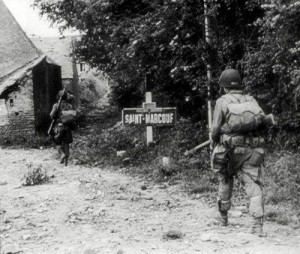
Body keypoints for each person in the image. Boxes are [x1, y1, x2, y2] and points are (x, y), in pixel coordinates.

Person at [211, 69, 270, 236]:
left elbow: (215, 129)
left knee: (225, 180)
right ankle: (257, 226)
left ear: (223, 87)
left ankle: (223, 218)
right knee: (253, 185)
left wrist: (215, 142)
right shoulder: (250, 100)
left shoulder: (222, 101)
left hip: (228, 149)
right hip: (252, 150)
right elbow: (262, 121)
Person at [50, 90, 75, 166]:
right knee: (66, 143)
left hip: (59, 126)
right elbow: (73, 116)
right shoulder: (70, 106)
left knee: (57, 142)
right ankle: (66, 162)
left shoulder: (56, 105)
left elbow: (51, 115)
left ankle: (62, 154)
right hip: (67, 127)